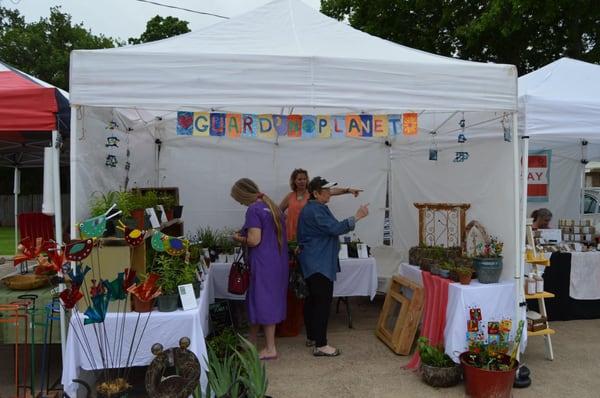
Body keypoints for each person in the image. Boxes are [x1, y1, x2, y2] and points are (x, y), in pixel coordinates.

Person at [297, 176, 369, 357]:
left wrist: (346, 190)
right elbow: (335, 228)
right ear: (316, 193)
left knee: (312, 301)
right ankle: (321, 345)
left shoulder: (313, 206)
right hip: (319, 263)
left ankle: (313, 337)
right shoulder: (316, 211)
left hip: (313, 261)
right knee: (321, 303)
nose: (330, 193)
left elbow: (327, 193)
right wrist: (357, 217)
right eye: (327, 190)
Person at [230, 178, 288, 360]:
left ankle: (270, 348)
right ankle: (252, 340)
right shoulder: (271, 207)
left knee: (264, 301)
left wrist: (238, 238)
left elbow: (255, 240)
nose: (239, 202)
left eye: (238, 198)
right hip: (277, 262)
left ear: (243, 195)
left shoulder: (253, 210)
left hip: (263, 263)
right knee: (257, 299)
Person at [280, 168, 362, 241]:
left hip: (307, 233)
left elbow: (332, 191)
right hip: (291, 233)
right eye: (299, 179)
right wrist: (287, 218)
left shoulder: (312, 193)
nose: (302, 181)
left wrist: (348, 190)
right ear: (294, 181)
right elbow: (278, 210)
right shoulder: (290, 196)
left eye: (304, 179)